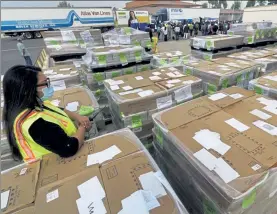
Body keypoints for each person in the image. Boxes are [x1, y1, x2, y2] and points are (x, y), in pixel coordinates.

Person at [2, 65, 91, 162]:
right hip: (55, 163)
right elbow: (69, 148)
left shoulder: (32, 104)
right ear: (28, 90)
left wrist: (77, 116)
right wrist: (82, 127)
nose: (49, 86)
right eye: (45, 83)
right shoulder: (35, 125)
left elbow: (56, 110)